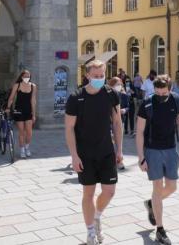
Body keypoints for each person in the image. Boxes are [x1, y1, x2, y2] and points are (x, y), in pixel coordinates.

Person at [65, 59, 124, 245]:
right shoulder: (76, 97)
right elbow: (69, 128)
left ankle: (97, 217)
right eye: (96, 76)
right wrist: (74, 156)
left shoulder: (111, 94)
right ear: (87, 75)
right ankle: (90, 232)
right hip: (85, 154)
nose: (99, 79)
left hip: (106, 150)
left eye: (102, 75)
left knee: (110, 191)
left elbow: (117, 122)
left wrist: (119, 149)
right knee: (88, 194)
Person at [136, 76, 179, 245]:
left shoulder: (176, 100)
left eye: (164, 92)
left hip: (170, 149)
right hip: (152, 150)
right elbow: (139, 132)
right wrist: (141, 157)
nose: (161, 95)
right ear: (154, 89)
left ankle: (151, 204)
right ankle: (160, 229)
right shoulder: (146, 104)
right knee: (157, 187)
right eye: (157, 92)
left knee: (172, 187)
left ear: (170, 88)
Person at [5, 69, 37, 158]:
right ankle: (22, 149)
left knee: (29, 132)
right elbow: (11, 97)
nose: (27, 78)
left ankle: (27, 147)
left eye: (28, 76)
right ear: (22, 77)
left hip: (28, 110)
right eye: (25, 76)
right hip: (18, 110)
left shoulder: (33, 86)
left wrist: (34, 114)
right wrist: (8, 107)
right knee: (21, 131)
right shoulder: (17, 85)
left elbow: (33, 100)